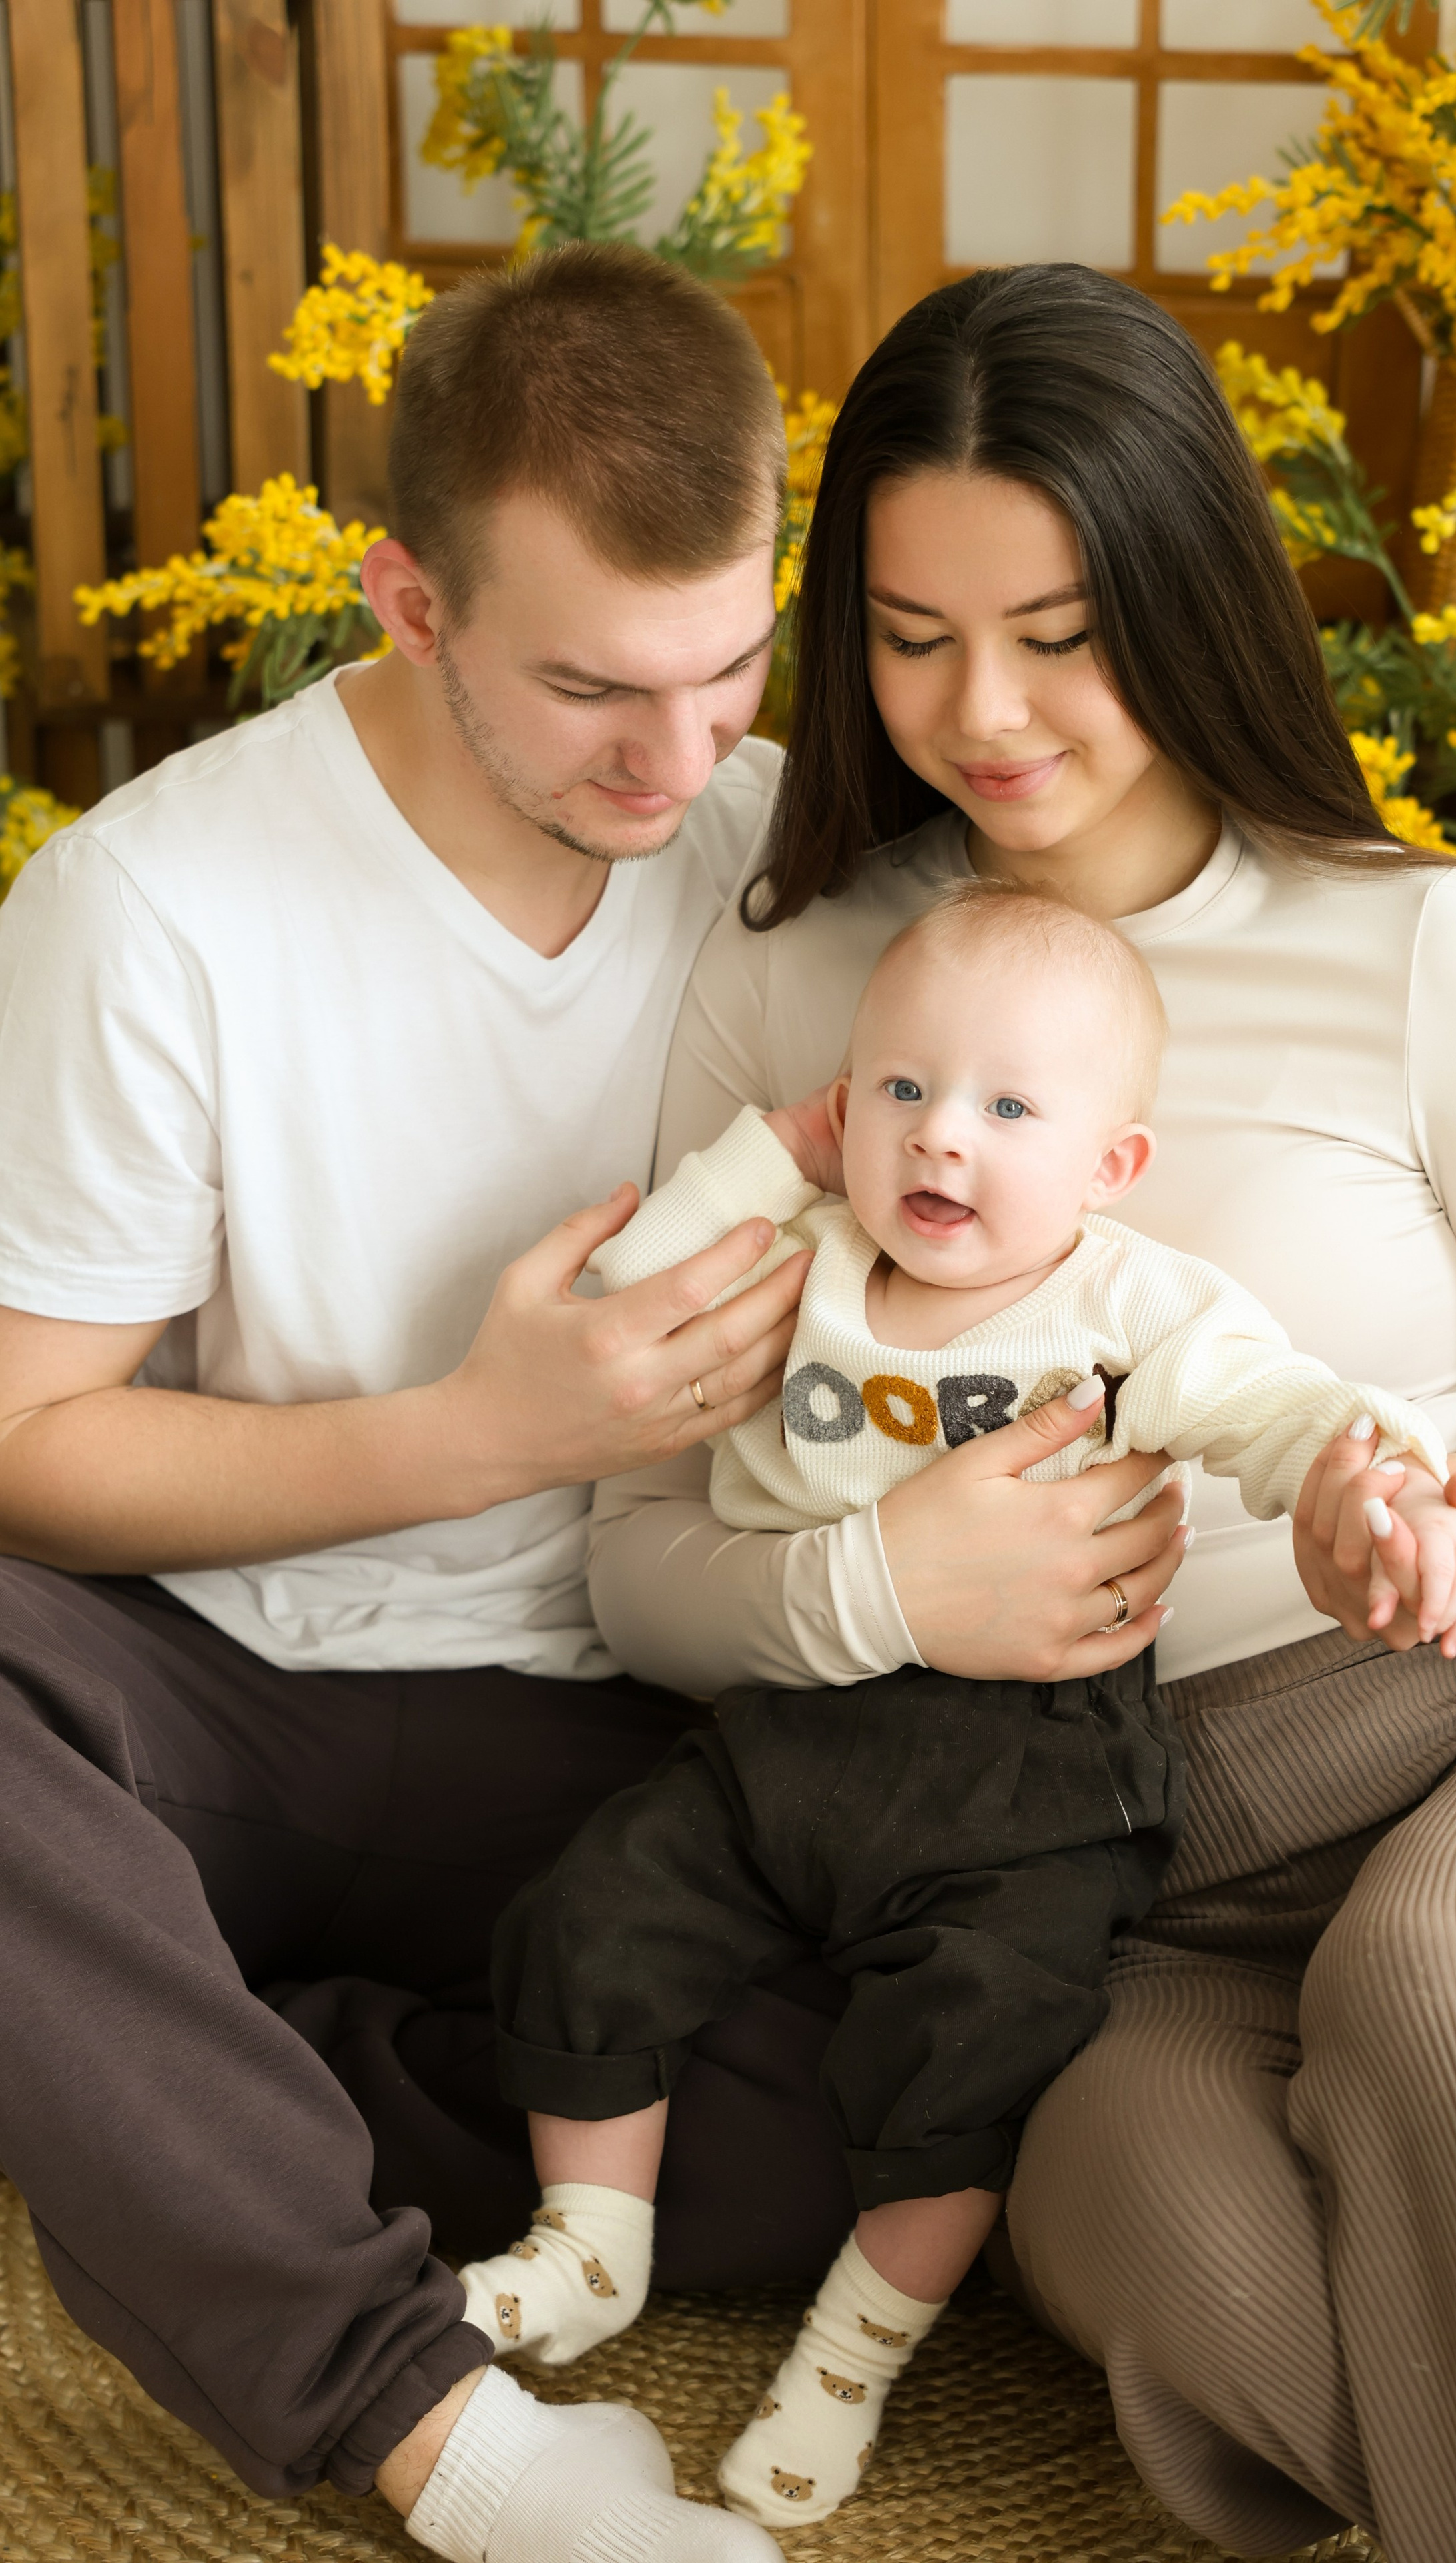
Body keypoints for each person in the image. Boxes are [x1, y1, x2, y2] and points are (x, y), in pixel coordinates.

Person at [584, 263, 1456, 2563]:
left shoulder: (1422, 956)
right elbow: (636, 1558)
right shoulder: (809, 989)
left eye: (1060, 628)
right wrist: (881, 1581)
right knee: (1177, 2273)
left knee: (1448, 1993)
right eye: (910, 634)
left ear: (1188, 594)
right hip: (1112, 1874)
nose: (980, 711)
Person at [0, 242, 843, 2563]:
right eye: (592, 690)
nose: (679, 766)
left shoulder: (790, 854)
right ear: (410, 602)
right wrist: (489, 1429)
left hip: (612, 1738)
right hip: (214, 1685)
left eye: (730, 665)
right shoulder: (148, 912)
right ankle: (440, 2435)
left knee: (930, 2063)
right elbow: (22, 1450)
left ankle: (163, 2075)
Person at [452, 877, 1456, 2532]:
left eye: (1007, 1108)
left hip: (1030, 1773)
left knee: (972, 2045)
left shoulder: (1118, 1304)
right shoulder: (803, 1255)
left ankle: (854, 2354)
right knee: (593, 1910)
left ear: (1110, 1166)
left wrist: (1393, 1493)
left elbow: (1279, 1407)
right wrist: (766, 1157)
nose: (940, 1139)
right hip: (792, 1723)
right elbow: (621, 1306)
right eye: (900, 1091)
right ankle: (590, 2244)